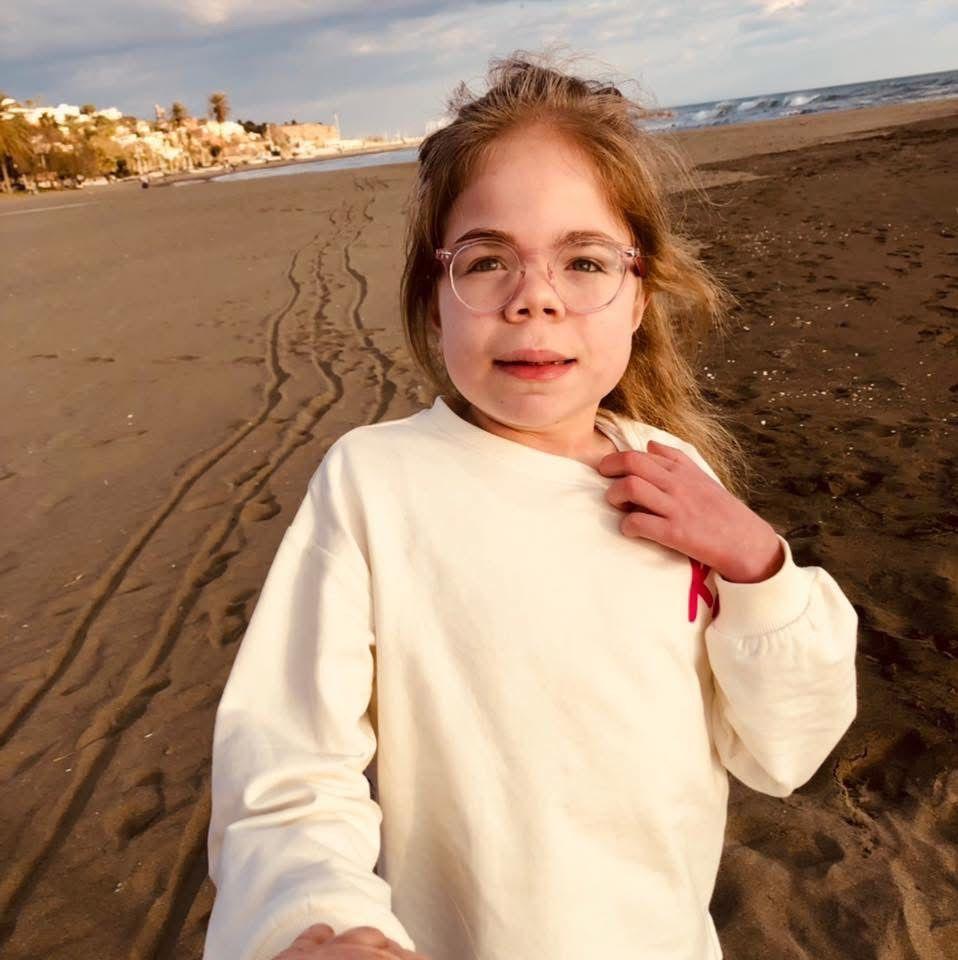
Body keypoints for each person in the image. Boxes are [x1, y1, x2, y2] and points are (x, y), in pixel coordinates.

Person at [202, 50, 858, 960]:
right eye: (487, 262)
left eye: (584, 261)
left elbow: (780, 751)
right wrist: (319, 917)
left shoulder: (670, 473)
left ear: (638, 295)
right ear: (436, 302)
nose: (535, 300)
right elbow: (288, 759)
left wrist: (759, 569)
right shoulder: (375, 483)